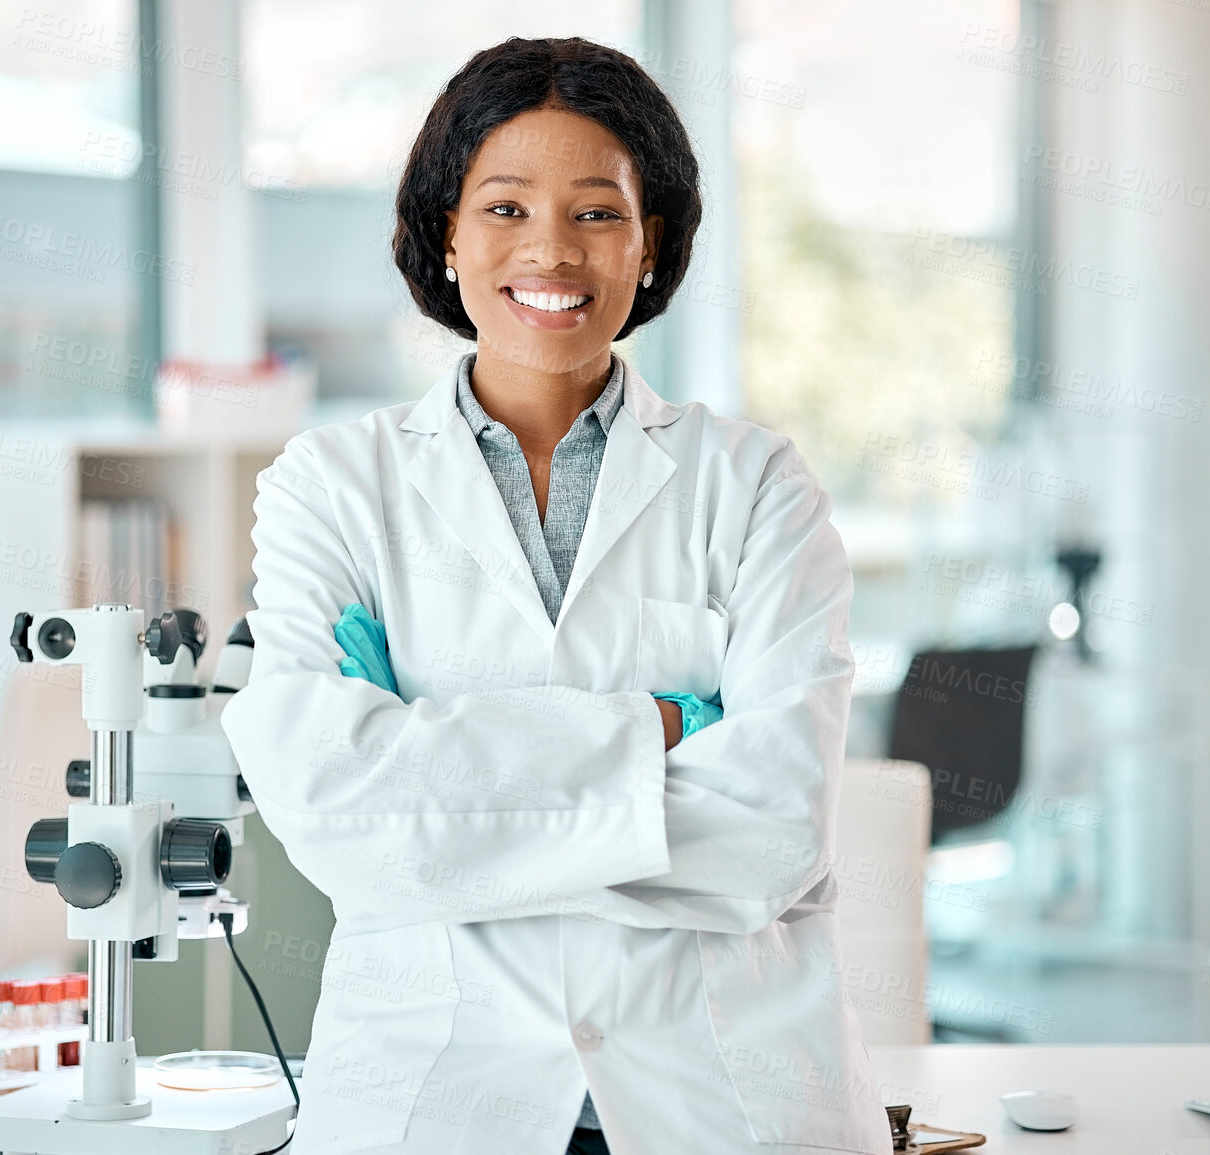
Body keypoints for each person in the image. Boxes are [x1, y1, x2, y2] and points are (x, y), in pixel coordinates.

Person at [223, 36, 889, 1155]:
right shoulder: (331, 488)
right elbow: (334, 813)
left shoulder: (757, 485)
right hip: (432, 1097)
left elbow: (776, 827)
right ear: (444, 230)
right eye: (504, 208)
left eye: (596, 212)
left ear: (650, 242)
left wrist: (442, 788)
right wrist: (662, 732)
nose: (551, 250)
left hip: (722, 1095)